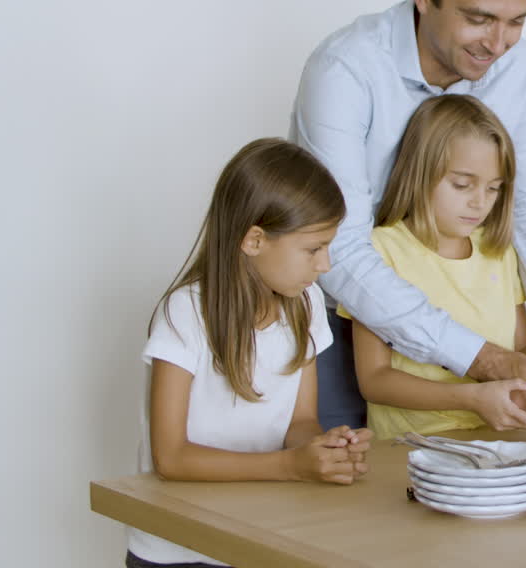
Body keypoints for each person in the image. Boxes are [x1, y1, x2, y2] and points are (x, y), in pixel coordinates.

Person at [290, 0, 526, 431]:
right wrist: (480, 357)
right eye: (479, 18)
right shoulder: (345, 69)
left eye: (517, 21)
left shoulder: (521, 71)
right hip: (329, 320)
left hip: (465, 341)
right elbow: (339, 247)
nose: (498, 43)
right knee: (340, 498)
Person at [127, 139, 373, 568]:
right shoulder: (185, 313)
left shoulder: (306, 304)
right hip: (176, 548)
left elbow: (299, 421)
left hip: (256, 535)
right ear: (255, 240)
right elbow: (171, 457)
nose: (326, 265)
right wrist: (291, 467)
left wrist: (319, 448)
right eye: (313, 248)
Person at [340, 95, 526, 438]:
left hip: (500, 441)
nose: (480, 202)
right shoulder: (380, 252)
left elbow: (524, 346)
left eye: (493, 189)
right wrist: (472, 398)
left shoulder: (497, 251)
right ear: (421, 172)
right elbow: (375, 380)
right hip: (413, 450)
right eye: (462, 185)